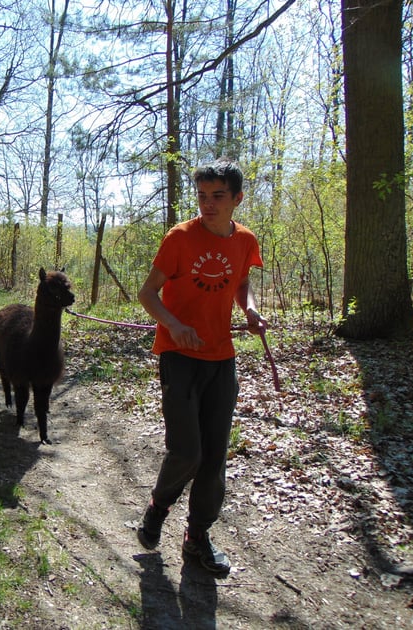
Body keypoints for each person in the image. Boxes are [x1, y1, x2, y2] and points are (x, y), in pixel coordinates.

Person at [135, 157, 265, 574]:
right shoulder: (180, 238)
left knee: (214, 459)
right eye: (202, 196)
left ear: (237, 199)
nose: (207, 205)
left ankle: (197, 538)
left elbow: (243, 281)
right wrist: (175, 325)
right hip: (179, 356)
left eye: (218, 197)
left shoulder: (244, 240)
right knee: (187, 452)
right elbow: (148, 293)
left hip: (221, 359)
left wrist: (251, 309)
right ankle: (158, 507)